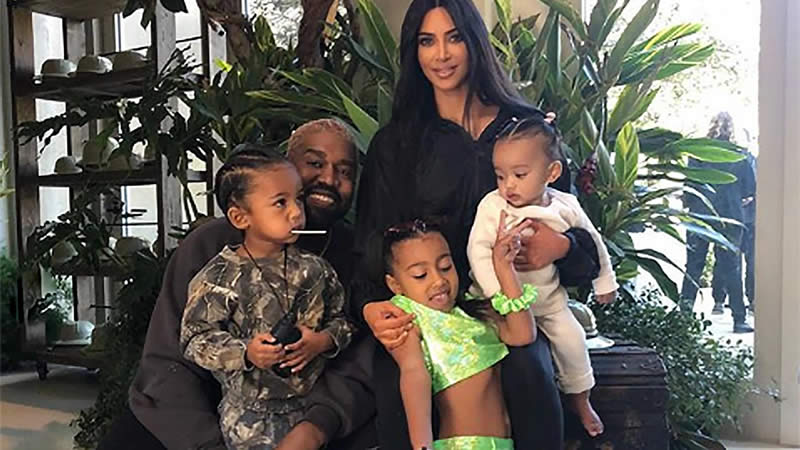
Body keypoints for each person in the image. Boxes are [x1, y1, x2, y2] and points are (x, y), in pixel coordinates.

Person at [351, 1, 602, 448]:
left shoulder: (526, 134)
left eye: (455, 38)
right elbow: (370, 246)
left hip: (512, 307)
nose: (441, 54)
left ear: (474, 42)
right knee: (396, 386)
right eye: (427, 41)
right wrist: (371, 307)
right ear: (413, 51)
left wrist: (562, 247)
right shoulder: (397, 144)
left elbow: (580, 243)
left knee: (529, 369)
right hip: (429, 311)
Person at [99, 120, 378, 450]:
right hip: (197, 413)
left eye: (345, 171)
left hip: (305, 413)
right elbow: (172, 355)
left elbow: (356, 351)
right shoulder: (210, 246)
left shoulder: (353, 255)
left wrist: (315, 427)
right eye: (315, 163)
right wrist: (207, 442)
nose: (329, 179)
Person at [179, 149, 353, 449]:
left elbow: (344, 321)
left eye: (298, 198)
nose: (296, 212)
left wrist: (322, 341)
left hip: (309, 411)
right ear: (240, 217)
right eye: (280, 203)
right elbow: (194, 340)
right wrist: (246, 352)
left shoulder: (315, 270)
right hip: (246, 418)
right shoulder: (218, 278)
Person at [467, 116, 618, 437]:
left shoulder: (566, 206)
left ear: (552, 173)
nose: (508, 185)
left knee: (574, 343)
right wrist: (498, 295)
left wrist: (605, 282)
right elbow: (477, 251)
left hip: (549, 303)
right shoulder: (493, 207)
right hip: (500, 307)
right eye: (500, 176)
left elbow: (594, 243)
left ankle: (581, 400)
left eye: (519, 175)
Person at [384, 218, 536, 450]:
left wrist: (504, 267)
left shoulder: (473, 312)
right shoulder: (408, 316)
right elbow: (414, 374)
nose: (438, 280)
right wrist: (422, 446)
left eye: (446, 267)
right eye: (420, 275)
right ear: (395, 285)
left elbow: (523, 334)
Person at [680, 112, 755, 333]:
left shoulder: (697, 152)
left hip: (700, 215)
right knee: (732, 267)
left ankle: (683, 317)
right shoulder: (740, 155)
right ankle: (739, 319)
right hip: (730, 216)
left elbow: (689, 186)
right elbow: (749, 190)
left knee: (693, 266)